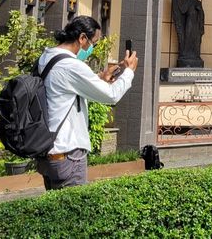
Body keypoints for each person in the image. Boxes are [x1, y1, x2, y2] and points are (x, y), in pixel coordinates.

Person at [35, 16, 138, 190]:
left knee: (55, 211)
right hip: (68, 152)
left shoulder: (47, 57)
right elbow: (112, 95)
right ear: (82, 38)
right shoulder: (71, 66)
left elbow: (65, 89)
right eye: (93, 43)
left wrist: (99, 78)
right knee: (73, 212)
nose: (91, 48)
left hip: (49, 150)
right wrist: (129, 72)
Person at [171, 0, 205, 67]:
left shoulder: (198, 2)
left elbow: (202, 15)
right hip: (189, 22)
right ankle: (185, 55)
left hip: (197, 24)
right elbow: (180, 6)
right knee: (187, 38)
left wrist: (200, 10)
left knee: (196, 40)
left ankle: (196, 55)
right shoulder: (187, 1)